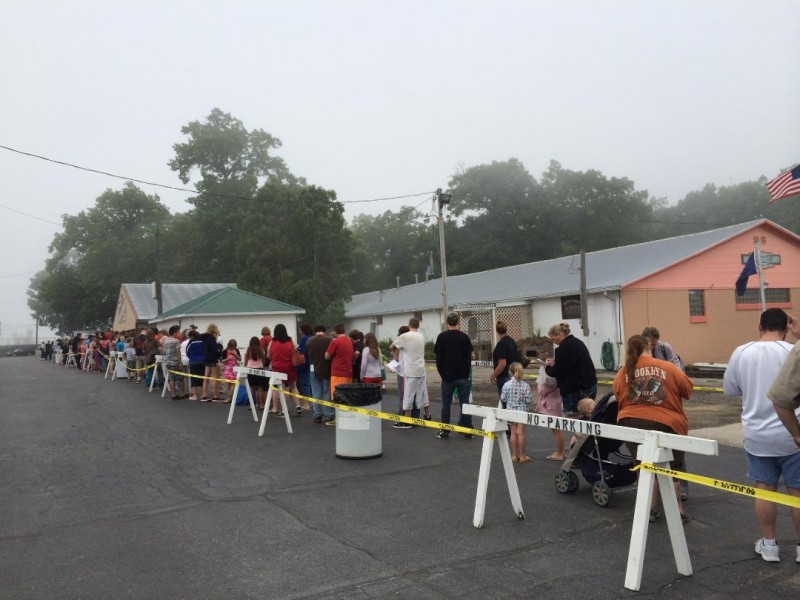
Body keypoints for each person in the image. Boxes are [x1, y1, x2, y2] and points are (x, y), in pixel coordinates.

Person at [723, 308, 800, 563]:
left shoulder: (742, 352)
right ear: (787, 327)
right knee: (797, 492)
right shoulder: (793, 351)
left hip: (757, 435)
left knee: (764, 489)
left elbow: (731, 389)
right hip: (793, 432)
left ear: (760, 326)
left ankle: (769, 546)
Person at [613, 334, 693, 524]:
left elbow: (617, 395)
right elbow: (688, 390)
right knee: (674, 467)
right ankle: (678, 511)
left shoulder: (623, 371)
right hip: (667, 422)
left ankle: (650, 510)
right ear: (649, 347)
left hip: (630, 421)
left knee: (644, 466)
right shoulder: (668, 367)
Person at [642, 325, 689, 500]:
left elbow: (677, 369)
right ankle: (657, 490)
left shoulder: (664, 348)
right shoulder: (639, 351)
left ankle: (681, 487)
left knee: (675, 448)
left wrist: (660, 369)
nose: (651, 347)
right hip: (650, 403)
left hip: (667, 398)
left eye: (653, 343)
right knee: (653, 448)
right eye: (649, 344)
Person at [434, 312, 474, 440]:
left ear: (447, 323)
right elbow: (469, 357)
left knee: (446, 404)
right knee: (465, 403)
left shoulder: (441, 337)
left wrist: (443, 374)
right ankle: (468, 429)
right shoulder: (464, 337)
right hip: (462, 376)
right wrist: (466, 373)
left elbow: (438, 359)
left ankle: (445, 430)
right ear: (458, 323)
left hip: (447, 377)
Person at [545, 322, 597, 416]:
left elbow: (558, 371)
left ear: (559, 335)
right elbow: (571, 363)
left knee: (574, 419)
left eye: (553, 339)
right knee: (589, 416)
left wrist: (547, 367)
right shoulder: (577, 342)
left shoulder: (564, 347)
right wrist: (556, 363)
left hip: (574, 390)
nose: (553, 342)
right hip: (590, 385)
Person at [390, 317, 430, 429]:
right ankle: (419, 418)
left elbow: (391, 347)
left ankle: (407, 421)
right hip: (421, 370)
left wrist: (397, 348)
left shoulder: (404, 336)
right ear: (418, 325)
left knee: (407, 396)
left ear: (409, 325)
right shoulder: (421, 336)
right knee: (421, 394)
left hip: (410, 371)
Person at [267, 323, 306, 415]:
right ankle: (298, 406)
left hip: (277, 366)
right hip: (289, 365)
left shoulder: (272, 341)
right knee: (293, 386)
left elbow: (268, 355)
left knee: (283, 388)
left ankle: (285, 409)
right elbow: (296, 350)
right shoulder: (290, 340)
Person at [501, 362, 533, 462]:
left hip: (510, 411)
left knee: (513, 433)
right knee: (521, 433)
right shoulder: (526, 385)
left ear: (510, 372)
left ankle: (515, 455)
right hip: (522, 411)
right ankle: (523, 456)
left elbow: (503, 398)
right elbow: (528, 400)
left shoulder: (506, 385)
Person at [325, 323, 355, 427]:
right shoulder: (349, 341)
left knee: (336, 397)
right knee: (346, 396)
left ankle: (338, 419)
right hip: (348, 372)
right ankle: (347, 418)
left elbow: (327, 356)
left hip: (337, 372)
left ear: (335, 331)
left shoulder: (335, 342)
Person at [306, 325, 334, 424]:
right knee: (327, 392)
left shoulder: (310, 340)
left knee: (316, 393)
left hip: (313, 369)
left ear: (315, 331)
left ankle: (317, 414)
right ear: (324, 331)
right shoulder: (330, 340)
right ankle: (329, 414)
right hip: (327, 369)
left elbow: (306, 354)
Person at [536, 364, 565, 460]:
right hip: (558, 403)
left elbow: (542, 391)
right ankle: (561, 451)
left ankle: (559, 453)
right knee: (558, 429)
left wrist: (539, 385)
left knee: (556, 429)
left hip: (551, 406)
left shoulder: (548, 380)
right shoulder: (559, 375)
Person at [490, 320, 520, 403]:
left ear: (496, 331)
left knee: (505, 403)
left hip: (504, 377)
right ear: (506, 329)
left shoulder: (501, 344)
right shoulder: (512, 341)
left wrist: (493, 375)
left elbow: (502, 364)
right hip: (514, 374)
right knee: (514, 402)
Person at [244, 336, 268, 410]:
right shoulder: (261, 349)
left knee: (251, 388)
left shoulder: (249, 349)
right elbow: (264, 360)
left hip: (250, 370)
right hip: (260, 370)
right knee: (260, 388)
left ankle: (251, 405)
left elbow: (246, 360)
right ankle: (261, 405)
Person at [162, 325, 184, 400]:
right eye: (178, 332)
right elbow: (178, 352)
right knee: (181, 378)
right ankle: (182, 393)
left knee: (171, 379)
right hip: (175, 361)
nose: (179, 333)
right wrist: (180, 362)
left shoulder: (166, 341)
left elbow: (164, 352)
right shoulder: (176, 341)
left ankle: (173, 395)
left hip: (168, 362)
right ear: (175, 333)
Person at [295, 323, 313, 401]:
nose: (299, 332)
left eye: (300, 330)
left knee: (305, 383)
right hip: (313, 363)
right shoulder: (313, 337)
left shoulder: (305, 338)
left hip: (304, 364)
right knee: (311, 383)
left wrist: (296, 349)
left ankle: (307, 402)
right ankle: (312, 401)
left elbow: (300, 351)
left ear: (303, 331)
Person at [186, 330, 205, 401]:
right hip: (203, 361)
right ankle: (203, 394)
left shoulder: (191, 342)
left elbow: (187, 351)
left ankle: (194, 395)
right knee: (202, 378)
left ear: (192, 336)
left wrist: (191, 357)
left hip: (193, 361)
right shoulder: (202, 341)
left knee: (193, 378)